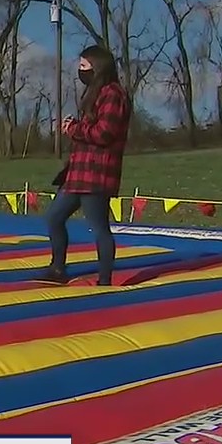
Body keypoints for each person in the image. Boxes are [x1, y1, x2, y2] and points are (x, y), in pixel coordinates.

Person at [37, 44, 132, 287]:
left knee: (98, 226)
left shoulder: (113, 94)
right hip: (78, 172)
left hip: (97, 173)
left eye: (83, 66)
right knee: (54, 217)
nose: (80, 71)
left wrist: (74, 129)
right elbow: (92, 128)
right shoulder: (95, 93)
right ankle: (58, 267)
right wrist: (77, 126)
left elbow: (104, 133)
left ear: (97, 68)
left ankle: (104, 279)